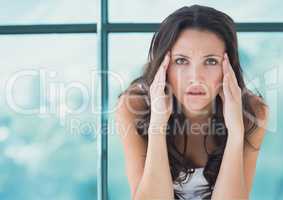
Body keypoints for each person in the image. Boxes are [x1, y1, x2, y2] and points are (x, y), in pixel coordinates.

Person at [115, 4, 269, 200]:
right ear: (164, 64)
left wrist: (235, 131)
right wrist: (158, 125)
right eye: (181, 61)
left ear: (229, 67)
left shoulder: (253, 112)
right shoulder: (134, 107)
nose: (196, 77)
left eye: (211, 61)